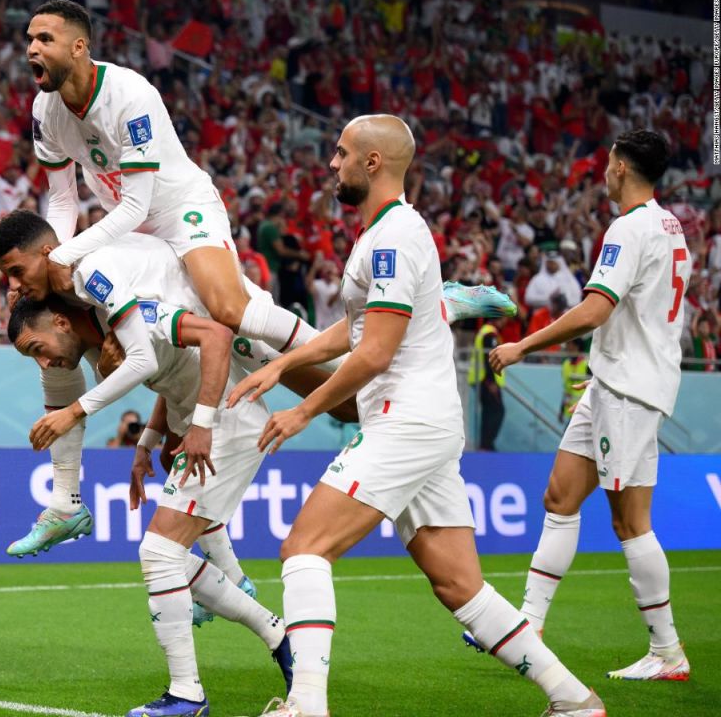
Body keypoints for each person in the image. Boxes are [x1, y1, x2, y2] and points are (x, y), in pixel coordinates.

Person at [228, 115, 601, 717]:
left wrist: (303, 410)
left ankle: (305, 705)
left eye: (341, 153)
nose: (331, 163)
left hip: (406, 421)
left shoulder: (395, 236)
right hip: (423, 425)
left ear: (372, 163)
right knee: (460, 586)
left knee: (304, 548)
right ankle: (574, 699)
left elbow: (374, 352)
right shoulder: (383, 232)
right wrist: (284, 363)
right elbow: (353, 331)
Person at [0, 209, 512, 558]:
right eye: (7, 281)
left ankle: (439, 303)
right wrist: (148, 438)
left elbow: (151, 345)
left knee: (348, 393)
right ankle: (68, 502)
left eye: (15, 274)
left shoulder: (86, 271)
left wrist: (102, 413)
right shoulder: (58, 301)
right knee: (341, 409)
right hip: (196, 340)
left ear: (45, 253)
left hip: (230, 319)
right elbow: (157, 374)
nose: (12, 288)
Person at [8, 295, 301, 716]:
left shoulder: (134, 310)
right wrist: (147, 442)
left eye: (38, 349)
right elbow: (171, 376)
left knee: (158, 553)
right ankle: (278, 634)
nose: (43, 364)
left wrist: (198, 426)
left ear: (61, 321)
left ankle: (187, 694)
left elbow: (212, 335)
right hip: (209, 427)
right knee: (169, 557)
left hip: (226, 427)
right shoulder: (109, 340)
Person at [489, 130, 691, 682]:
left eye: (607, 164)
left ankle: (667, 651)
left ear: (622, 168)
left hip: (628, 389)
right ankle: (528, 624)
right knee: (559, 495)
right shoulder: (671, 227)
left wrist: (524, 343)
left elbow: (594, 310)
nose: (603, 173)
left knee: (631, 522)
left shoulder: (629, 228)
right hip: (613, 382)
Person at [25, 0, 309, 354]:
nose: (32, 48)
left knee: (229, 310)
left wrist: (61, 255)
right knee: (85, 295)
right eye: (31, 39)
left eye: (45, 39)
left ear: (78, 47)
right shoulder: (44, 110)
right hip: (129, 227)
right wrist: (51, 255)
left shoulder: (130, 95)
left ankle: (330, 349)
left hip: (179, 209)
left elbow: (137, 206)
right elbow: (63, 200)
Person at [469, 318, 505, 451]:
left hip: (481, 379)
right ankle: (487, 444)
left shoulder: (484, 331)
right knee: (498, 411)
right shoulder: (490, 334)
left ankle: (485, 445)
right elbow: (489, 358)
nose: (505, 321)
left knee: (488, 412)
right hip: (486, 380)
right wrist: (491, 381)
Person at [559, 340, 589, 420]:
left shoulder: (587, 364)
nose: (566, 346)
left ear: (576, 346)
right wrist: (561, 409)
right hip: (570, 409)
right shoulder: (565, 364)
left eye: (569, 343)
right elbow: (566, 389)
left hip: (584, 410)